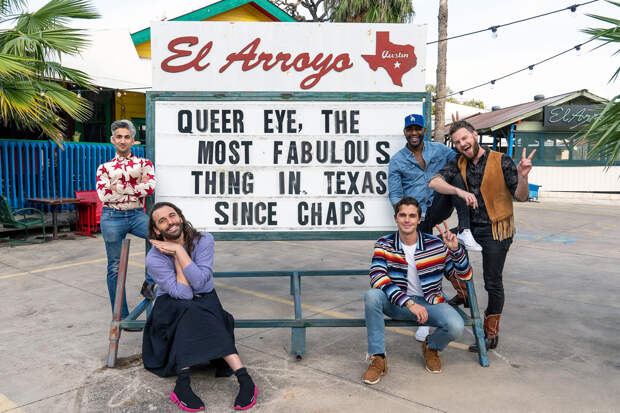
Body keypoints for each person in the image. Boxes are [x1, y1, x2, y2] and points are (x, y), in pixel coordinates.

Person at [429, 120, 535, 352]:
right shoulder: (458, 162)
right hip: (472, 228)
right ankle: (463, 292)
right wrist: (458, 190)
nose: (462, 144)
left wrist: (523, 176)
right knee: (436, 248)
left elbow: (521, 196)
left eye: (465, 138)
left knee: (492, 281)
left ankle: (491, 333)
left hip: (497, 229)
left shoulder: (501, 160)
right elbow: (434, 182)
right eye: (457, 142)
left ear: (475, 135)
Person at [143, 202, 258, 412]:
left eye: (172, 215)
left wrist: (178, 250)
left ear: (180, 216)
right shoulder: (153, 258)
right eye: (162, 221)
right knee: (189, 309)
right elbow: (184, 294)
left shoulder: (204, 240)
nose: (170, 222)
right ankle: (185, 384)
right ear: (157, 231)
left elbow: (200, 283)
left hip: (204, 298)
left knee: (198, 309)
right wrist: (178, 255)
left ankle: (244, 380)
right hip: (171, 305)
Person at [388, 113, 481, 341]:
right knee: (423, 266)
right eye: (409, 129)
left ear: (423, 130)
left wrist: (462, 128)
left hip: (439, 207)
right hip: (419, 217)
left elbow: (464, 156)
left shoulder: (439, 150)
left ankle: (466, 231)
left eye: (417, 129)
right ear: (405, 132)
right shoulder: (398, 160)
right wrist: (407, 219)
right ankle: (424, 321)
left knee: (456, 177)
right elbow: (396, 194)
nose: (413, 133)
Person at [362, 197, 472, 383]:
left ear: (419, 220)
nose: (407, 219)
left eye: (412, 216)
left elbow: (464, 276)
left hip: (430, 303)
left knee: (456, 325)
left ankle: (432, 347)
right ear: (396, 218)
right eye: (402, 215)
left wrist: (456, 251)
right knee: (372, 296)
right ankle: (378, 358)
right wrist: (408, 303)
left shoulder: (435, 245)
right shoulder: (384, 243)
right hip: (398, 304)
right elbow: (377, 276)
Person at [97, 119, 156, 320]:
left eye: (127, 137)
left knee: (162, 236)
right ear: (113, 140)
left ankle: (149, 282)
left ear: (133, 140)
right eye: (119, 137)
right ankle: (120, 316)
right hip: (111, 216)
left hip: (136, 214)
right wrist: (134, 189)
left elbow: (149, 189)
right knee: (114, 266)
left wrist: (118, 188)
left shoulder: (144, 164)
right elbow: (104, 196)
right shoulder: (104, 168)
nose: (123, 140)